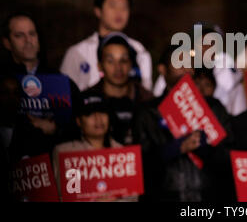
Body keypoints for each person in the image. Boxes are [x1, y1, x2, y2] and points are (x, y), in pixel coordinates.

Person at [133, 44, 234, 201]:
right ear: (162, 69)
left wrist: (206, 149)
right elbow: (140, 166)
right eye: (179, 62)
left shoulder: (213, 107)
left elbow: (231, 159)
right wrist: (175, 148)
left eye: (190, 63)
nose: (186, 68)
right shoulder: (148, 112)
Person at [1, 12, 80, 162]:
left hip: (52, 163)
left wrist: (56, 128)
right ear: (7, 42)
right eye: (19, 35)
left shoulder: (60, 81)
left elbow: (80, 123)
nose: (28, 40)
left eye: (32, 34)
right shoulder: (2, 81)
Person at [60, 0, 152, 92]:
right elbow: (64, 96)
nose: (119, 12)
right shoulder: (77, 53)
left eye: (124, 7)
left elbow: (146, 90)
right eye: (112, 5)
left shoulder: (138, 50)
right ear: (98, 11)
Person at [153, 22, 247, 116]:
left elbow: (239, 113)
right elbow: (158, 106)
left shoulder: (229, 71)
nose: (209, 47)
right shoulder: (175, 70)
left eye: (213, 42)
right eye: (203, 42)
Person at [52, 93, 125, 201]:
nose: (98, 118)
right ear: (79, 121)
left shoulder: (122, 152)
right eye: (89, 113)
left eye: (102, 112)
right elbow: (61, 197)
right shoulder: (64, 152)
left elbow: (131, 196)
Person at [84, 32, 152, 145]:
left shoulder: (147, 99)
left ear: (131, 64)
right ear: (99, 66)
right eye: (110, 61)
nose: (118, 68)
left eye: (123, 60)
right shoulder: (86, 102)